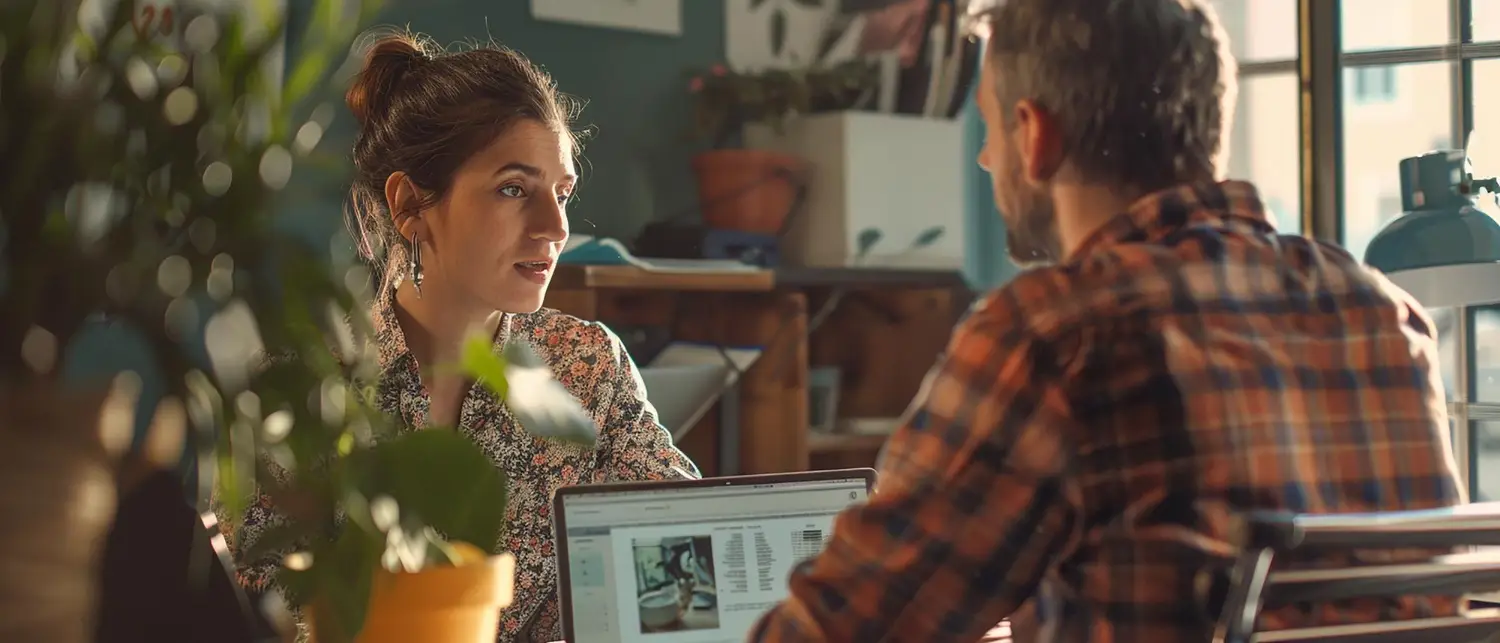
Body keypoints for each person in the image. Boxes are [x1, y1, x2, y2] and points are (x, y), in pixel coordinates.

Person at [749, 1, 1466, 641]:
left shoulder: (1056, 331)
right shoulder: (1377, 308)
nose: (984, 156)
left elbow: (845, 627)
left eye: (992, 127)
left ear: (1035, 136)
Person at [219, 31, 698, 642]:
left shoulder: (586, 367)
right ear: (410, 204)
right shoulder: (303, 382)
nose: (555, 227)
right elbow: (252, 615)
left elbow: (689, 560)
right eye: (513, 189)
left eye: (561, 192)